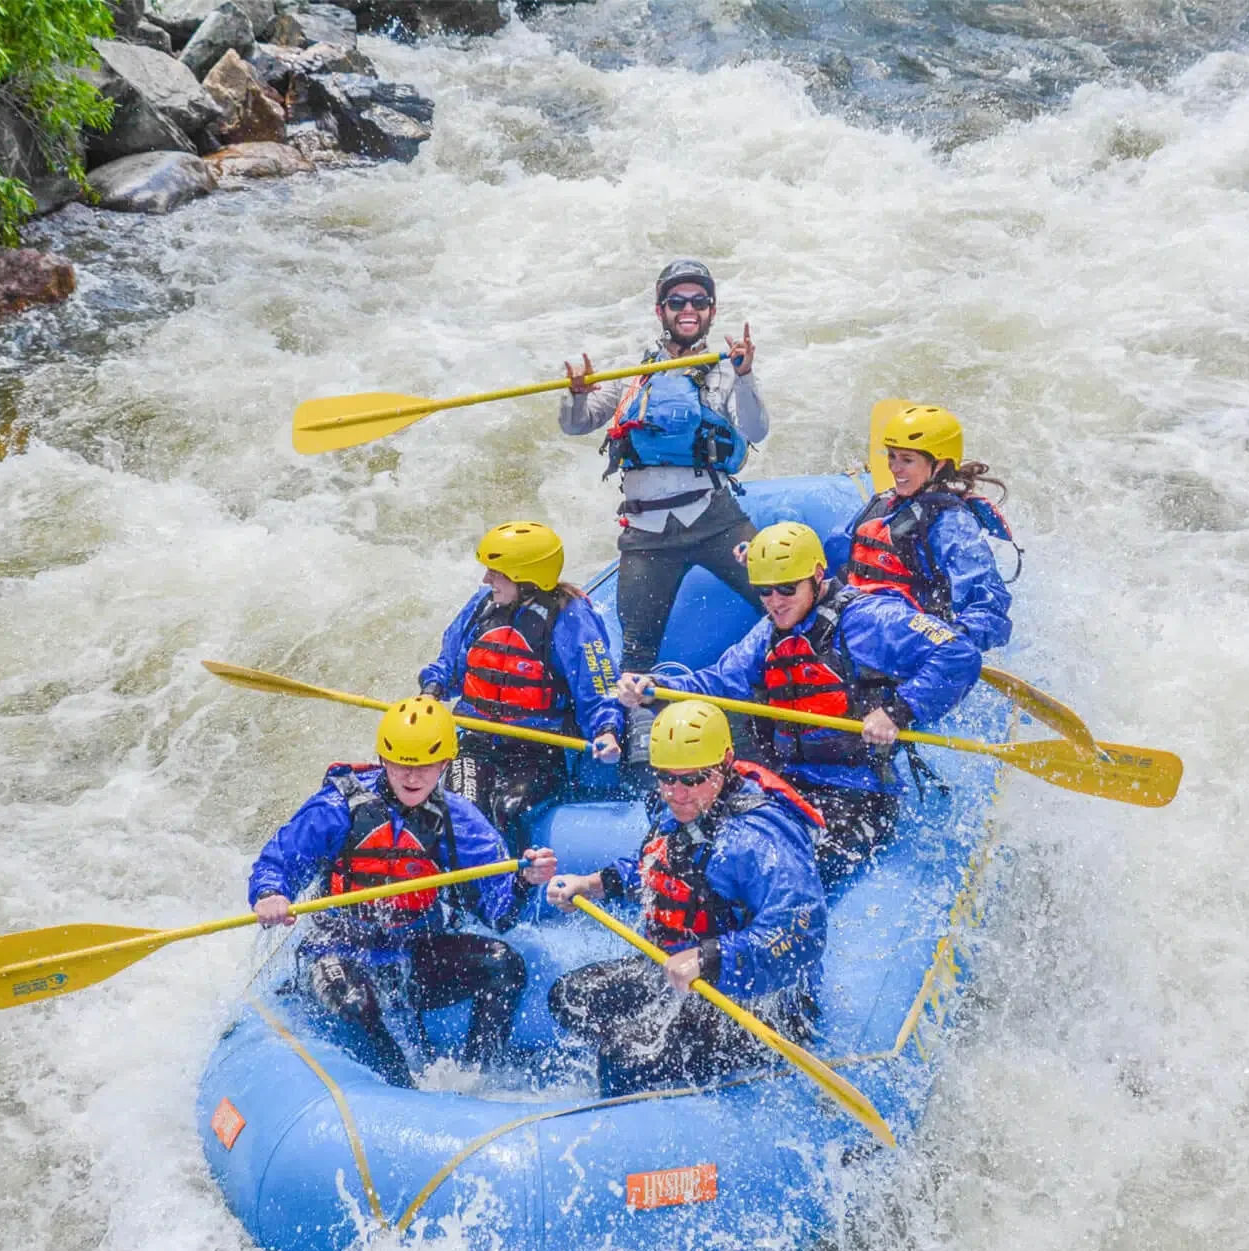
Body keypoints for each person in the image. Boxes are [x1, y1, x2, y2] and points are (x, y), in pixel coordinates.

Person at [616, 522, 981, 885]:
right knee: (702, 838)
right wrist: (658, 686)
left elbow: (958, 653)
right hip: (787, 783)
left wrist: (897, 711)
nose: (774, 601)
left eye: (786, 588)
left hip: (857, 792)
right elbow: (719, 681)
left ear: (818, 575)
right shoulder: (770, 631)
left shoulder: (869, 619)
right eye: (764, 591)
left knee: (784, 868)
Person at [248, 696, 558, 1088]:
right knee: (354, 1003)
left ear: (445, 764)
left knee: (504, 966)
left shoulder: (458, 820)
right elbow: (277, 863)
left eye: (425, 766)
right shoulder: (335, 808)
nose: (412, 778)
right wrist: (271, 893)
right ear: (383, 760)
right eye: (401, 765)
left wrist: (523, 881)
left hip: (412, 952)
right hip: (339, 950)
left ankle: (476, 1080)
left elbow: (499, 913)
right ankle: (402, 1090)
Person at [544, 699, 827, 1096]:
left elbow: (802, 933)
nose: (677, 793)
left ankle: (662, 1092)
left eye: (693, 779)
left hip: (749, 1002)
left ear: (727, 761)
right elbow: (657, 863)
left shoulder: (758, 839)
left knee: (624, 1057)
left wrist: (708, 957)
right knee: (569, 997)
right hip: (676, 976)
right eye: (666, 778)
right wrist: (590, 884)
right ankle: (663, 1074)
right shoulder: (681, 807)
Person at [558, 259, 771, 738]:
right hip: (647, 533)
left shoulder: (724, 367)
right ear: (661, 310)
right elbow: (578, 423)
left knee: (781, 598)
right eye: (678, 301)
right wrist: (576, 394)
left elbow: (756, 430)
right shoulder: (636, 369)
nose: (688, 309)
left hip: (715, 517)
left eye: (699, 301)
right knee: (637, 651)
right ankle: (639, 752)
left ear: (712, 311)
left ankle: (784, 707)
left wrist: (746, 376)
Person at [419, 521, 623, 843]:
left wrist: (607, 730)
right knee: (463, 809)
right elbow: (449, 666)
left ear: (526, 578)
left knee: (508, 809)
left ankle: (515, 880)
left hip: (537, 748)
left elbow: (597, 687)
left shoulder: (569, 617)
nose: (486, 579)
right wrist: (431, 691)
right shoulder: (482, 606)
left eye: (496, 572)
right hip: (476, 741)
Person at [843, 404, 1018, 651]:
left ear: (939, 464)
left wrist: (958, 635)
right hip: (858, 630)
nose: (894, 468)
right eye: (892, 456)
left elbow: (989, 606)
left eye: (907, 460)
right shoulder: (884, 504)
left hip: (908, 646)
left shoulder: (951, 524)